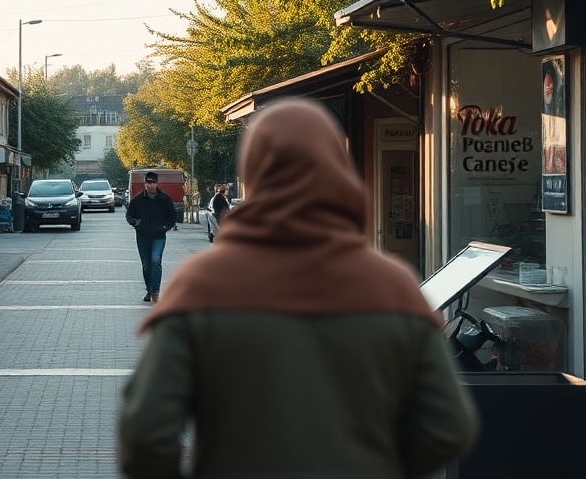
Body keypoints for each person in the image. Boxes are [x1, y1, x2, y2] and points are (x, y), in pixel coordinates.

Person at [118, 99, 478, 479]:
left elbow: (145, 434)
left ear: (254, 172)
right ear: (336, 168)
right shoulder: (391, 286)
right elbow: (448, 427)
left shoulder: (202, 285)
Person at [125, 170, 177, 303]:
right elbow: (129, 215)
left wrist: (165, 227)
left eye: (153, 182)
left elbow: (172, 216)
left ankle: (156, 291)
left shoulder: (164, 199)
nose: (150, 185)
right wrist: (136, 223)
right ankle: (149, 289)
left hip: (159, 236)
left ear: (157, 183)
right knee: (146, 265)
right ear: (145, 183)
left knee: (155, 261)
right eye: (148, 182)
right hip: (142, 237)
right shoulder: (138, 199)